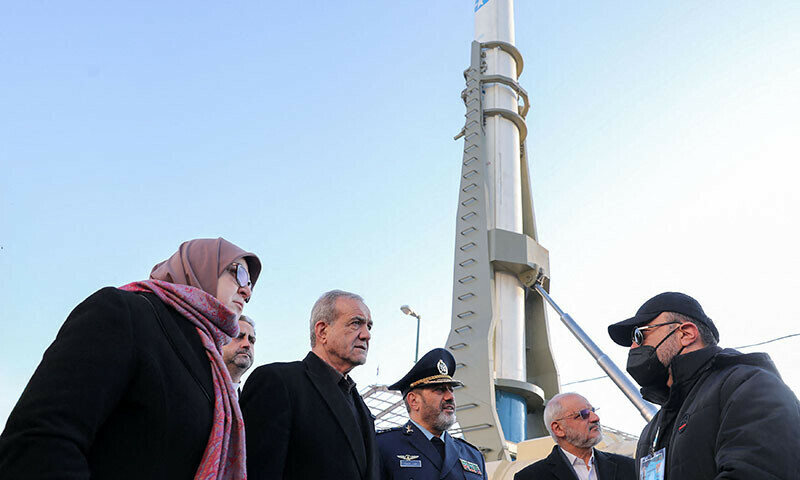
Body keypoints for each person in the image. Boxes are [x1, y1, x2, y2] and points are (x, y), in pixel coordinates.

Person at [0, 237, 261, 479]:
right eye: (237, 272)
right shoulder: (125, 313)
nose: (246, 292)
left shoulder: (212, 365)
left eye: (249, 283)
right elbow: (39, 441)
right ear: (201, 266)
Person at [607, 291, 800, 479]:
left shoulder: (748, 385)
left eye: (639, 335)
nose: (633, 347)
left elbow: (758, 471)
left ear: (686, 333)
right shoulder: (653, 429)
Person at [241, 289, 379, 480]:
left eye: (369, 326)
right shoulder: (277, 382)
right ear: (322, 331)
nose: (366, 335)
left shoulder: (360, 405)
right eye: (356, 323)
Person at [376, 348, 487, 480]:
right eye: (439, 390)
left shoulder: (473, 456)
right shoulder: (382, 446)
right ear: (413, 400)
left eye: (451, 390)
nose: (450, 396)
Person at [514, 392, 634, 480]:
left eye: (593, 411)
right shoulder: (531, 477)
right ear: (558, 428)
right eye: (584, 414)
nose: (595, 418)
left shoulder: (630, 468)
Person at [222, 314, 256, 395]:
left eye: (251, 341)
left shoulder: (247, 404)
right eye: (239, 336)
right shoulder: (192, 385)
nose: (247, 344)